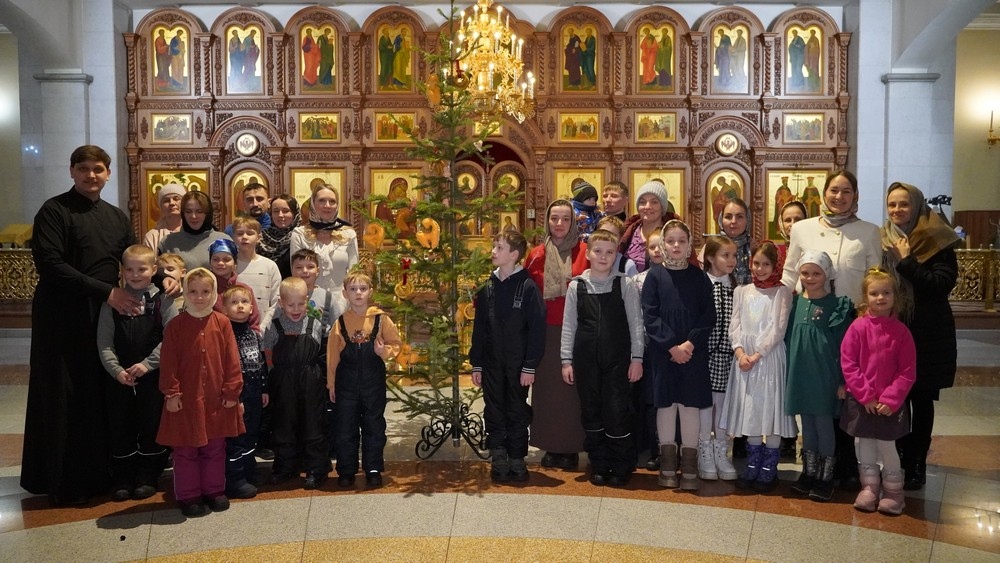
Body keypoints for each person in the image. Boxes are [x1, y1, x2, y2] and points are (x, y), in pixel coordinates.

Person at [21, 145, 139, 505]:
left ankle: (99, 473)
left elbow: (134, 259)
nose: (91, 175)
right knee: (65, 394)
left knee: (97, 393)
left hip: (102, 315)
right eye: (84, 168)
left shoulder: (116, 217)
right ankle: (63, 480)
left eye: (98, 169)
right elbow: (51, 264)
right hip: (62, 316)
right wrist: (108, 292)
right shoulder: (54, 210)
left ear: (108, 173)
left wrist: (163, 277)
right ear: (72, 171)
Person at [781, 170, 881, 488]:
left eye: (846, 191)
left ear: (856, 196)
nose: (839, 197)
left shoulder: (869, 232)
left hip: (852, 321)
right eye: (834, 190)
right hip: (810, 315)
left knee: (844, 396)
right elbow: (789, 274)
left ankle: (844, 466)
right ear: (824, 193)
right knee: (816, 400)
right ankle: (816, 467)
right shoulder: (803, 228)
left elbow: (874, 278)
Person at [880, 182, 961, 491]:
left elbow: (940, 285)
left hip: (927, 332)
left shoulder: (936, 237)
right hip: (894, 330)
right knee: (897, 398)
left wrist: (906, 261)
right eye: (892, 204)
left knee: (922, 399)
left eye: (904, 204)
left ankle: (917, 462)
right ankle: (899, 455)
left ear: (916, 205)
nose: (897, 210)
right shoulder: (884, 237)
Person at [157, 268, 245, 517]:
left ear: (214, 293)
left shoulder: (223, 322)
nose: (199, 297)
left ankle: (214, 491)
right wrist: (172, 393)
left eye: (205, 291)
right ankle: (189, 495)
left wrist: (232, 391)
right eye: (193, 291)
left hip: (217, 399)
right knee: (185, 449)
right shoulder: (175, 326)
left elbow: (232, 359)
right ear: (185, 293)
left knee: (215, 447)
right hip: (186, 400)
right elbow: (168, 362)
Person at [561, 230, 645, 486]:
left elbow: (636, 323)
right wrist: (566, 361)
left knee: (616, 410)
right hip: (585, 361)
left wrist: (637, 358)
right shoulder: (576, 286)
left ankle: (621, 464)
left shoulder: (625, 284)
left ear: (616, 255)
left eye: (609, 252)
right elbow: (569, 326)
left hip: (618, 361)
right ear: (588, 254)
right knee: (591, 411)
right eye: (598, 251)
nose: (603, 256)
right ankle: (599, 463)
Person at [97, 245, 178, 501]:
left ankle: (148, 474)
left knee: (150, 423)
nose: (135, 274)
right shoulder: (112, 302)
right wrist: (116, 370)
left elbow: (172, 338)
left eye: (141, 269)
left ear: (153, 270)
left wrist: (148, 364)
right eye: (129, 269)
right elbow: (104, 342)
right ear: (122, 271)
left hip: (152, 375)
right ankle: (123, 475)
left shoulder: (163, 299)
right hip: (120, 378)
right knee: (121, 425)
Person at [642, 220, 715, 490]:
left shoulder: (699, 277)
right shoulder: (655, 276)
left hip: (693, 353)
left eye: (681, 241)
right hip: (664, 354)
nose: (675, 246)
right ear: (662, 244)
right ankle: (668, 466)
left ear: (689, 245)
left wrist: (689, 345)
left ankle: (690, 468)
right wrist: (672, 346)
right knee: (666, 405)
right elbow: (650, 315)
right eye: (670, 241)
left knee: (689, 406)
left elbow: (708, 316)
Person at [470, 231, 546, 482]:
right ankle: (498, 454)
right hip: (491, 362)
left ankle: (516, 456)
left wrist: (530, 366)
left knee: (517, 408)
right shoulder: (488, 287)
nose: (493, 251)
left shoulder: (528, 287)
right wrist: (477, 363)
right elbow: (480, 328)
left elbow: (537, 329)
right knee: (494, 409)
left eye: (499, 247)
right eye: (494, 246)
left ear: (514, 255)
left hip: (518, 365)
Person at [840, 268, 916, 515]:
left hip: (888, 404)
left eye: (886, 293)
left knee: (887, 445)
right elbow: (849, 363)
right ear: (866, 297)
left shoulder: (902, 332)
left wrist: (891, 399)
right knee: (864, 444)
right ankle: (869, 488)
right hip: (863, 400)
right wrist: (865, 395)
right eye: (874, 293)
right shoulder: (857, 327)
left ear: (895, 296)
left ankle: (894, 492)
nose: (880, 297)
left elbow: (907, 371)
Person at [720, 241, 795, 492]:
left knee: (770, 412)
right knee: (751, 411)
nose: (760, 269)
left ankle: (769, 468)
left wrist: (756, 355)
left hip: (768, 359)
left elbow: (778, 329)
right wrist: (740, 352)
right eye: (756, 263)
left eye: (766, 264)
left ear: (776, 266)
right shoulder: (742, 291)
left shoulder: (781, 292)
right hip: (744, 359)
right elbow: (735, 325)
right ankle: (752, 465)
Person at [785, 251, 855, 502]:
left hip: (825, 376)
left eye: (816, 273)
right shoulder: (794, 304)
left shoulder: (837, 306)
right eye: (805, 273)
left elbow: (845, 347)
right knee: (807, 425)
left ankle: (825, 478)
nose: (810, 278)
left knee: (824, 425)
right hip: (800, 375)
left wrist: (843, 380)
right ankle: (809, 473)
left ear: (827, 275)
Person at [524, 200, 589, 469]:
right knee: (548, 390)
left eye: (565, 219)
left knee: (572, 390)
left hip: (576, 328)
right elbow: (527, 291)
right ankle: (550, 445)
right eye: (554, 218)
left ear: (573, 222)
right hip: (546, 331)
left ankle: (571, 446)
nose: (559, 224)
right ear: (547, 221)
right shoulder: (536, 254)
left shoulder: (585, 252)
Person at [325, 271, 402, 489]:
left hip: (372, 382)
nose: (358, 293)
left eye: (363, 289)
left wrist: (383, 351)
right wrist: (331, 383)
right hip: (346, 383)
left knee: (374, 426)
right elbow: (332, 357)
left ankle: (373, 469)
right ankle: (346, 470)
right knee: (345, 427)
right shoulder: (340, 323)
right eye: (353, 289)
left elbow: (396, 344)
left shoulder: (381, 319)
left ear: (370, 292)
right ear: (345, 293)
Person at [264, 277, 332, 489]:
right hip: (283, 382)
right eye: (290, 304)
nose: (296, 309)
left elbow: (325, 353)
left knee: (314, 425)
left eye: (301, 304)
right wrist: (272, 380)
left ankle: (316, 469)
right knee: (284, 424)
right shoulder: (274, 327)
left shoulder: (316, 324)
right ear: (281, 303)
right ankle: (285, 467)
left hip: (311, 381)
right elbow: (268, 357)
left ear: (307, 301)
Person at [221, 285, 269, 500]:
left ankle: (249, 469)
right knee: (235, 437)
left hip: (254, 391)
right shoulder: (225, 335)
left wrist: (264, 389)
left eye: (244, 302)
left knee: (251, 433)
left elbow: (261, 363)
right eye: (234, 302)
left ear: (251, 308)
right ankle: (235, 478)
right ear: (224, 309)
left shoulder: (254, 335)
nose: (240, 306)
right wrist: (235, 397)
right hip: (236, 394)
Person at [698, 235, 739, 482]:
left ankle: (721, 450)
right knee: (705, 404)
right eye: (725, 255)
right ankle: (704, 449)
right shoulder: (701, 284)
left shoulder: (737, 288)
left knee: (723, 406)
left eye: (734, 255)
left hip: (727, 357)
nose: (731, 260)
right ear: (711, 258)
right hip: (704, 355)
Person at [290, 184, 358, 321]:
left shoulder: (349, 234)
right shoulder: (300, 234)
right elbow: (297, 273)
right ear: (313, 203)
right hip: (309, 302)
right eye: (322, 200)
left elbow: (354, 272)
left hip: (343, 301)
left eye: (332, 201)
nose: (327, 205)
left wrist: (346, 302)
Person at [160, 190, 232, 271]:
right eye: (188, 212)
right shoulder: (168, 242)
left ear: (207, 213)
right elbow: (159, 274)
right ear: (183, 214)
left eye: (199, 211)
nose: (193, 216)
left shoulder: (224, 240)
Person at [620, 181, 679, 273]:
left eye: (654, 202)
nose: (647, 207)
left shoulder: (676, 234)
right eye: (642, 202)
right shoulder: (627, 232)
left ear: (662, 207)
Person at [208, 238, 261, 335]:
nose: (220, 263)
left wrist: (254, 338)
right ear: (210, 263)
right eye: (216, 259)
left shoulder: (245, 289)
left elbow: (254, 322)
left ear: (235, 263)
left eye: (226, 259)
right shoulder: (206, 289)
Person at [232, 216, 281, 315]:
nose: (244, 237)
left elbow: (276, 301)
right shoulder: (230, 266)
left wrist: (265, 323)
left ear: (258, 237)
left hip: (264, 322)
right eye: (240, 233)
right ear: (234, 237)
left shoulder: (270, 266)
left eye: (250, 233)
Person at [258, 194, 300, 280]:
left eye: (285, 211)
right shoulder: (261, 237)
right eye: (276, 211)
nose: (280, 215)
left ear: (295, 213)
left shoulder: (302, 237)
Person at [143, 183, 186, 250]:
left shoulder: (193, 232)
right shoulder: (152, 236)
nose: (172, 203)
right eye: (166, 200)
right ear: (161, 207)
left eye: (176, 199)